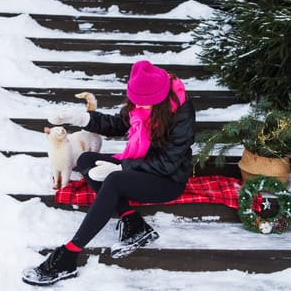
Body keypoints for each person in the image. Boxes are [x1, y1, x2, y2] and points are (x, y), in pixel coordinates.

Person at [22, 60, 196, 286]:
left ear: (160, 98)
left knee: (113, 179)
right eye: (137, 103)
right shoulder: (139, 103)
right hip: (139, 167)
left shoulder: (181, 111)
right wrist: (82, 118)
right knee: (86, 159)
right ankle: (133, 222)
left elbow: (168, 163)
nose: (140, 109)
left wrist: (123, 167)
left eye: (146, 105)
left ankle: (68, 255)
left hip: (168, 179)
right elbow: (118, 125)